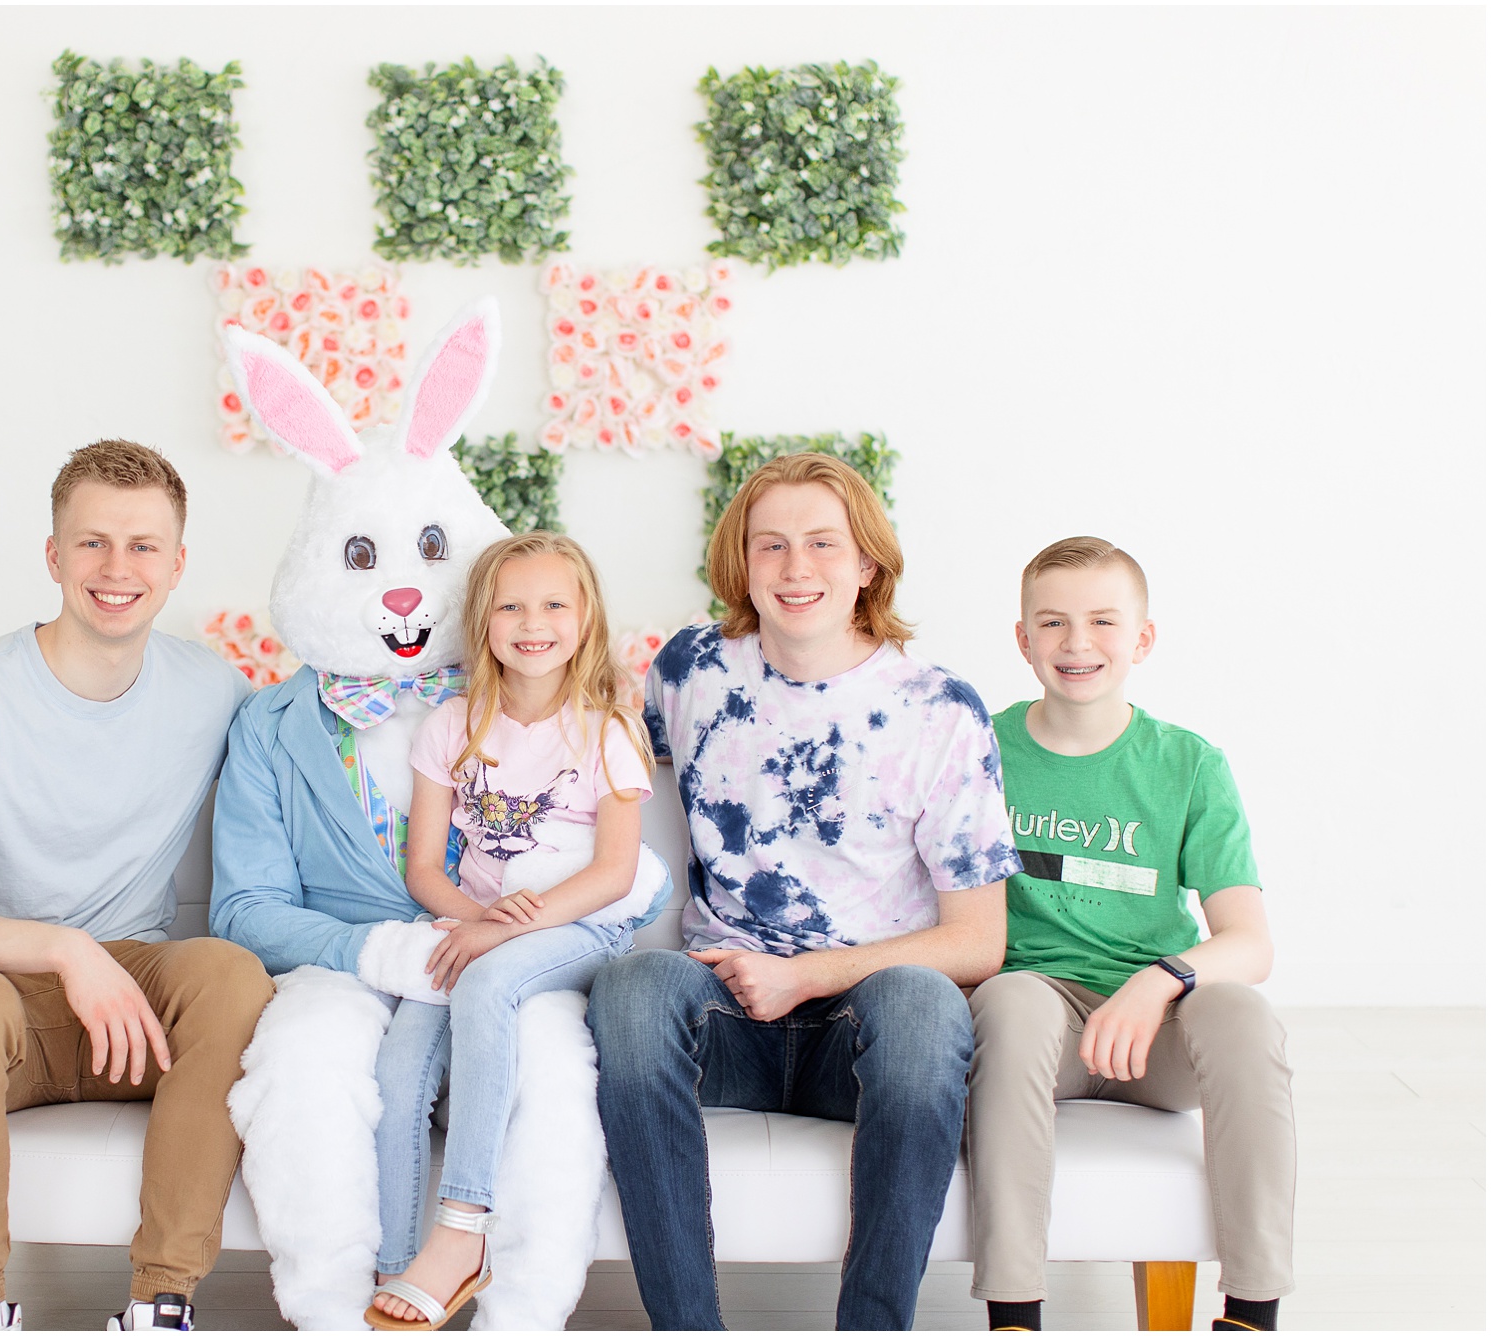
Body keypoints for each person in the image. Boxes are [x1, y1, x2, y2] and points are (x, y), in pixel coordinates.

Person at [588, 452, 1022, 1331]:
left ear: (866, 563)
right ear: (740, 562)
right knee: (632, 989)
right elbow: (594, 785)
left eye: (824, 544)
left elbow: (979, 941)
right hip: (727, 1013)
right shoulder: (688, 672)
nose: (796, 568)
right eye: (771, 545)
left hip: (865, 1027)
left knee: (926, 1007)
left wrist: (814, 974)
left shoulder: (939, 709)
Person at [0, 440, 274, 1333]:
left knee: (232, 976)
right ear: (53, 556)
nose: (117, 569)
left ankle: (162, 1303)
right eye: (91, 544)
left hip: (132, 1009)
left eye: (143, 546)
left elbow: (314, 767)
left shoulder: (215, 691)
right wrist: (60, 947)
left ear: (177, 565)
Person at [967, 536, 1293, 1332]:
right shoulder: (980, 747)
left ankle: (1252, 1312)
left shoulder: (1188, 764)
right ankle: (1014, 1314)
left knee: (1244, 1013)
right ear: (1023, 640)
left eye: (1103, 621)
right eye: (1053, 623)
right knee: (1011, 999)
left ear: (1142, 639)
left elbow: (1249, 940)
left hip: (1156, 1034)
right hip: (1040, 1022)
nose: (1078, 643)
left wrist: (1157, 982)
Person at [365, 531, 661, 1331]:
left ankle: (464, 1233)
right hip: (475, 925)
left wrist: (507, 934)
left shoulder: (607, 729)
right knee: (396, 1070)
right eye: (511, 605)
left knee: (490, 985)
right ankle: (396, 1261)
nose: (534, 622)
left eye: (554, 603)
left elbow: (614, 874)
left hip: (579, 927)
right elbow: (424, 868)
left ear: (587, 617)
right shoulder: (451, 725)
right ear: (483, 621)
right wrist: (478, 922)